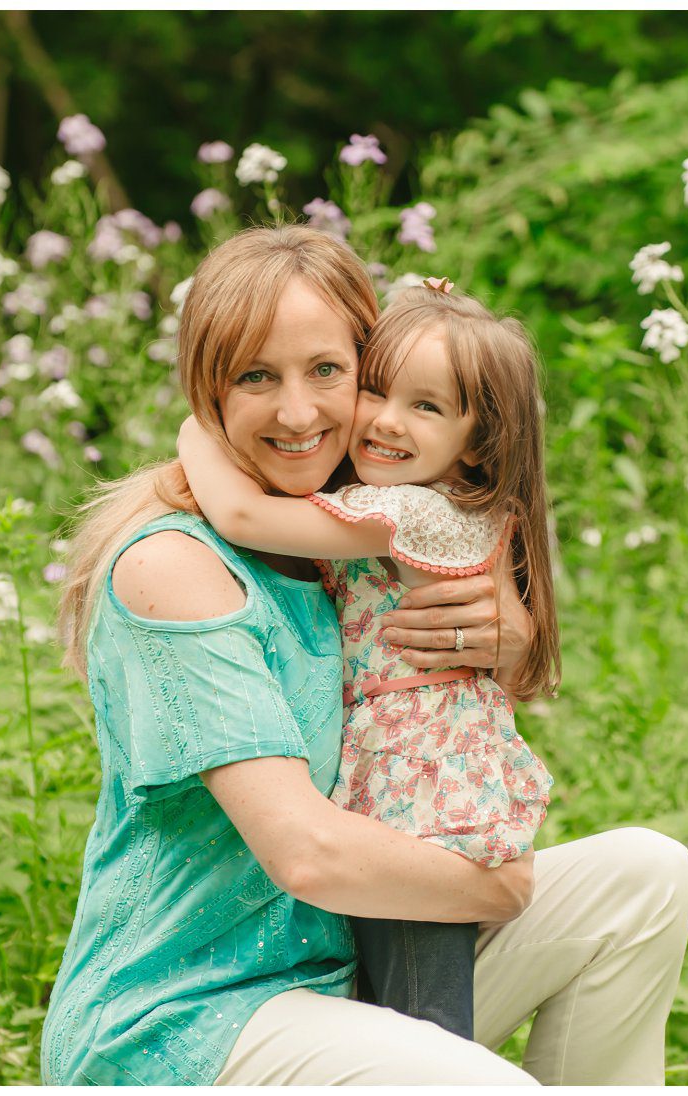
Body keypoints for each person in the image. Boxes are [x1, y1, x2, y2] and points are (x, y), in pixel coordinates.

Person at [43, 225, 688, 1085]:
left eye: (326, 371)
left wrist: (512, 630)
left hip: (343, 974)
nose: (298, 412)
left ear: (370, 373)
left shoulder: (344, 541)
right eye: (254, 377)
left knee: (646, 876)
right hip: (189, 1018)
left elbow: (471, 604)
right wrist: (490, 887)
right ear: (206, 391)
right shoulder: (177, 564)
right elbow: (305, 854)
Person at [175, 277, 558, 1038]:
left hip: (420, 797)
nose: (385, 422)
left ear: (478, 441)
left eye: (427, 407)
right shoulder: (413, 500)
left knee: (425, 1031)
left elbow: (246, 515)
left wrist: (197, 429)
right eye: (377, 390)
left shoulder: (408, 511)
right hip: (403, 780)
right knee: (394, 1008)